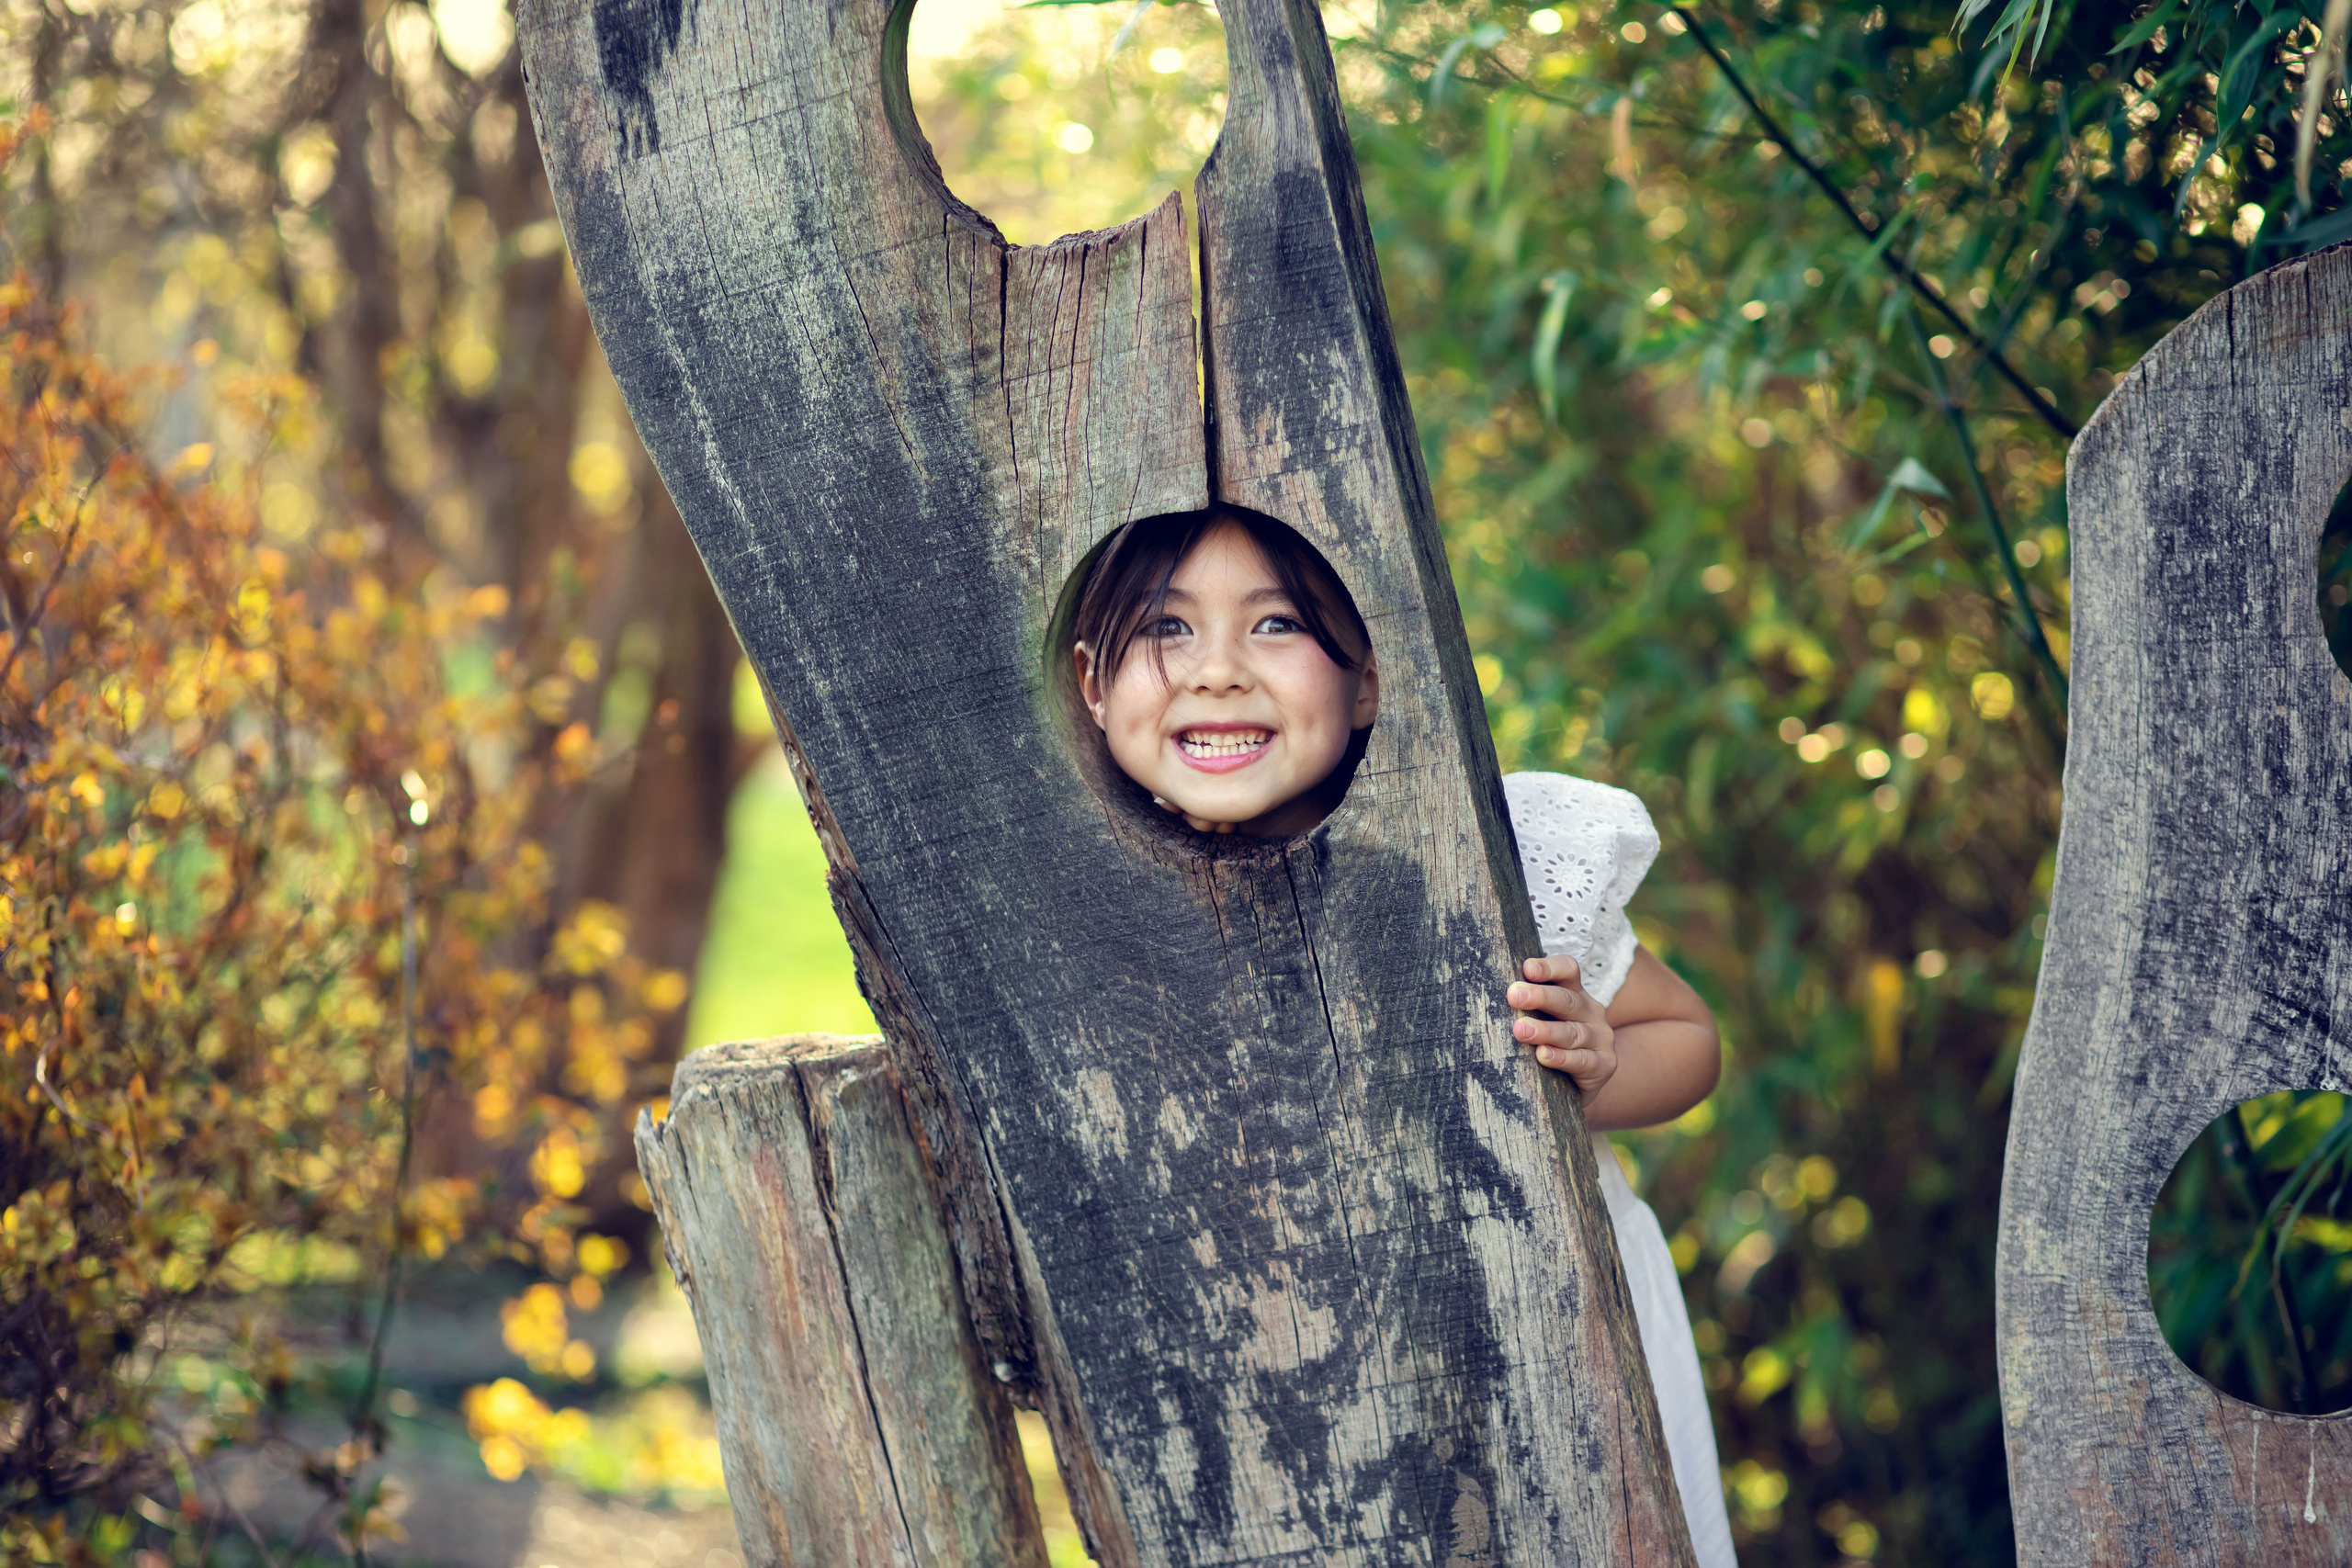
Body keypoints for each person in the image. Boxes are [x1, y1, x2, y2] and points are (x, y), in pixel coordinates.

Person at [1069, 505, 1738, 1566]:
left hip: (1553, 1340)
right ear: (1093, 685)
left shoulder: (1489, 855)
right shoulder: (1066, 918)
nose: (1217, 672)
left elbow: (1688, 1036)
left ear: (1369, 675)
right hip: (1281, 1396)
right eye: (1167, 627)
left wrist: (1595, 1066)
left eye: (1276, 625)